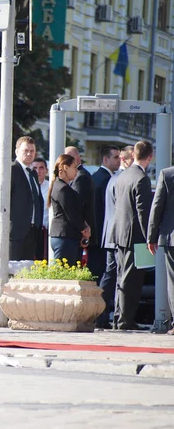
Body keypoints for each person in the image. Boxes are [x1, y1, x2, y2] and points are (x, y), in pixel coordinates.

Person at [113, 140, 153, 331]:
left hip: (120, 233)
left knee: (122, 278)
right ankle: (125, 320)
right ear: (150, 157)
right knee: (132, 281)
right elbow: (143, 212)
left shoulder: (123, 175)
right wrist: (150, 238)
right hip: (135, 237)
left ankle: (119, 318)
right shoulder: (141, 178)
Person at [96, 146, 134, 329]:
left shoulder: (113, 178)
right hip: (119, 235)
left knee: (110, 276)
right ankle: (118, 318)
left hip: (110, 233)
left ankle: (102, 315)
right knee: (118, 277)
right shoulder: (123, 179)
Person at [0, 136, 44, 260]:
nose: (29, 154)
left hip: (32, 233)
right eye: (25, 150)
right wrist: (0, 226)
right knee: (11, 271)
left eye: (32, 151)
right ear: (16, 152)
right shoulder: (11, 170)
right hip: (14, 233)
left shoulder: (32, 174)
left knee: (26, 274)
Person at [48, 154, 90, 266]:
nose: (76, 171)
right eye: (74, 167)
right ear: (65, 168)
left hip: (65, 236)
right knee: (62, 276)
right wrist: (84, 230)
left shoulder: (61, 186)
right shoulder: (62, 188)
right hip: (64, 237)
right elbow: (72, 214)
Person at [147, 166, 174, 335]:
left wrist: (151, 237)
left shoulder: (167, 174)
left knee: (173, 281)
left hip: (171, 237)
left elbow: (156, 206)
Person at [91, 146, 121, 281]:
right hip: (102, 235)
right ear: (105, 159)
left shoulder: (96, 177)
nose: (119, 160)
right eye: (115, 157)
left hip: (96, 235)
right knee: (103, 273)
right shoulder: (105, 180)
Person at [64, 146, 96, 264]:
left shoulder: (80, 176)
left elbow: (78, 206)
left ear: (77, 159)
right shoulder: (77, 175)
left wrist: (83, 231)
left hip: (79, 232)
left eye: (69, 157)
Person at [32, 157, 49, 260]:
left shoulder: (51, 187)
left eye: (41, 168)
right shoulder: (28, 186)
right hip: (30, 231)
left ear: (46, 170)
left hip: (44, 233)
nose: (38, 171)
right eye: (35, 168)